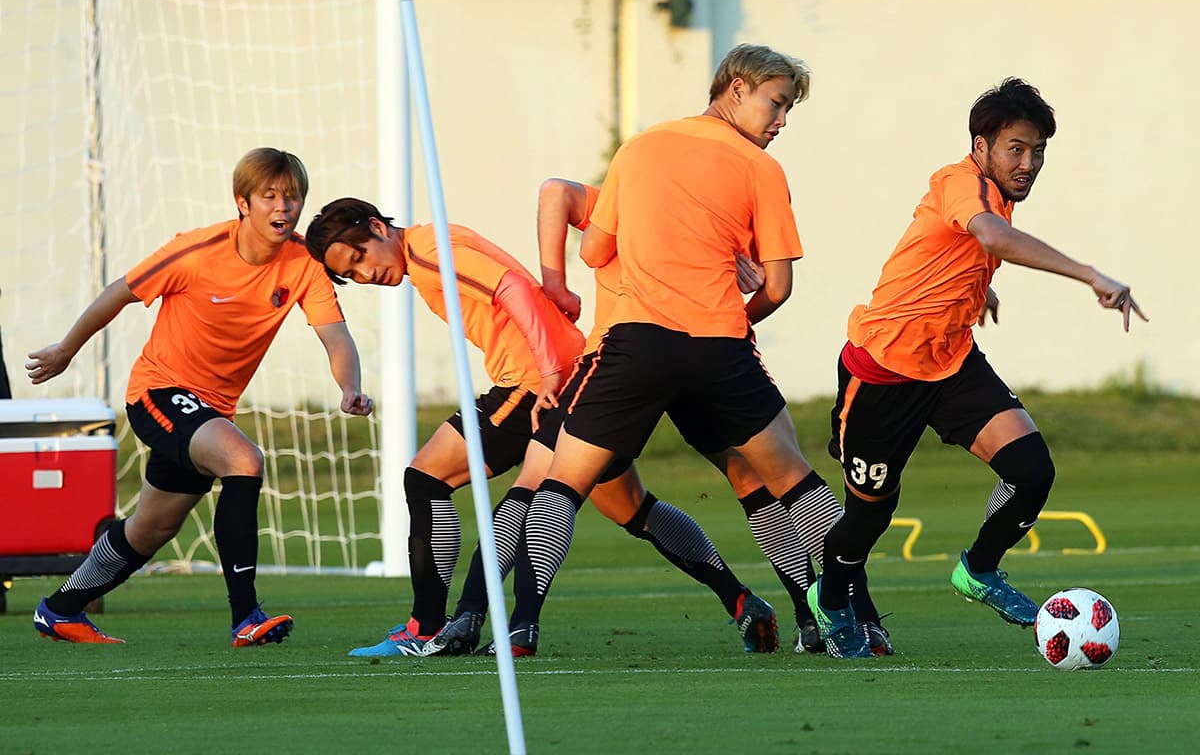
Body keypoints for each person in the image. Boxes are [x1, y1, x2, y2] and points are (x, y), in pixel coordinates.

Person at [500, 43, 870, 657]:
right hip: (716, 350)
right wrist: (733, 309)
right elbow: (777, 287)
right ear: (737, 88)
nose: (781, 121)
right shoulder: (761, 169)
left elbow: (593, 252)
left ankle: (523, 626)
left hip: (636, 344)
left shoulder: (638, 149)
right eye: (777, 105)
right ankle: (839, 618)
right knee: (788, 483)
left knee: (561, 485)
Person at [428, 176, 887, 659]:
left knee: (555, 483)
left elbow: (556, 196)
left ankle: (505, 625)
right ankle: (814, 613)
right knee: (708, 487)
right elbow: (556, 194)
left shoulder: (669, 204)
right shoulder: (657, 202)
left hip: (630, 358)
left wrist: (558, 285)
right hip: (677, 355)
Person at [304, 197, 772, 657]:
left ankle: (428, 626)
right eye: (352, 274)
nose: (365, 274)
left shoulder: (427, 253)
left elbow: (511, 287)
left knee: (427, 476)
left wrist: (547, 370)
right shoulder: (433, 242)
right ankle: (740, 600)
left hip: (534, 382)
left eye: (360, 256)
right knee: (632, 507)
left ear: (377, 227)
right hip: (579, 372)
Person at [809, 78, 1148, 657]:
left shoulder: (997, 195)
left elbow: (962, 247)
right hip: (884, 370)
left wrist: (973, 289)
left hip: (951, 361)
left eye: (1038, 150)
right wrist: (1091, 274)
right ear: (980, 146)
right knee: (871, 515)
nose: (1029, 162)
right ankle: (831, 597)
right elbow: (991, 234)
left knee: (1032, 470)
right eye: (1015, 148)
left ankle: (979, 569)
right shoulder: (959, 182)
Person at [26, 147, 374, 646]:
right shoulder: (194, 251)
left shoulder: (303, 262)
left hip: (209, 410)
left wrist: (350, 387)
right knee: (243, 459)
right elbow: (119, 292)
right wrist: (65, 350)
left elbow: (335, 336)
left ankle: (59, 609)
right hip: (157, 392)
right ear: (243, 202)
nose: (283, 207)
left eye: (292, 197)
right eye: (270, 196)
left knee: (151, 528)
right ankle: (246, 616)